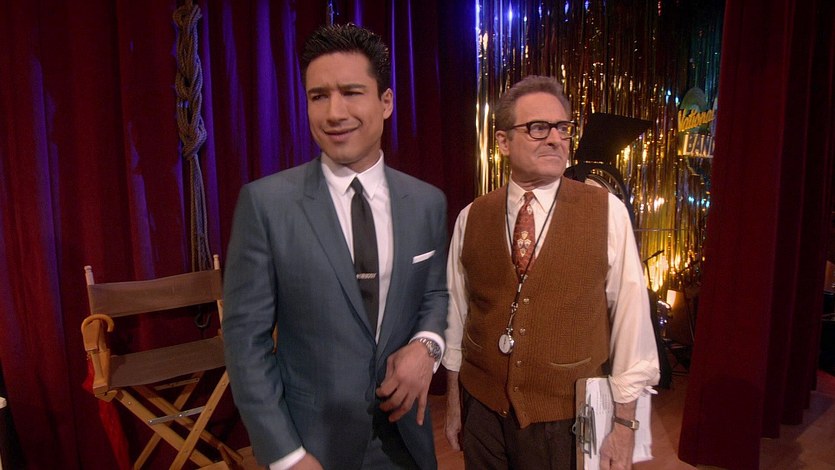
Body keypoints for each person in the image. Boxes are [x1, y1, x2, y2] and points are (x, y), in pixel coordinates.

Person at [222, 23, 448, 470]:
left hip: (407, 439)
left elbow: (436, 293)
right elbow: (245, 341)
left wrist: (429, 344)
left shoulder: (427, 202)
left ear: (386, 102)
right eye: (318, 96)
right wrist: (286, 456)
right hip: (312, 445)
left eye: (351, 92)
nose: (333, 113)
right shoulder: (266, 204)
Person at [442, 75, 660, 470]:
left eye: (562, 127)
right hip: (483, 411)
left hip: (566, 420)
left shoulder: (606, 212)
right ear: (503, 141)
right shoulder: (471, 217)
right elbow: (456, 316)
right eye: (538, 128)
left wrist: (625, 424)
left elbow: (632, 322)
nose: (556, 139)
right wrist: (456, 405)